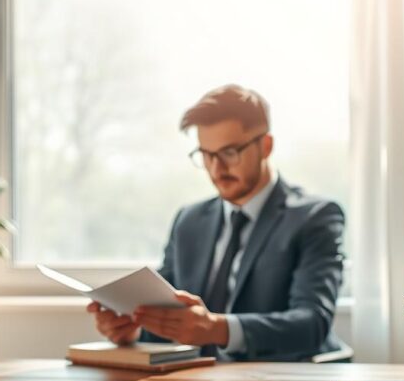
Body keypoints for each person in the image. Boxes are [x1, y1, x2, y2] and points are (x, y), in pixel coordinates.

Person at [86, 84, 346, 361]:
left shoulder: (315, 217)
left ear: (266, 146)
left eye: (229, 153)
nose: (216, 169)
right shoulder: (189, 221)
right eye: (206, 155)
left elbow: (311, 323)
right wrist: (132, 331)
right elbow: (172, 320)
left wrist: (217, 329)